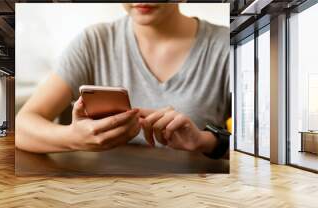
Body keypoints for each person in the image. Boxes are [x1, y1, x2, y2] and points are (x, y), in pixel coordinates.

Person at [16, 3, 230, 158]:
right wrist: (73, 137)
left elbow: (260, 148)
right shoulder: (94, 41)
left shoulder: (226, 46)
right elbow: (23, 127)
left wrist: (206, 142)